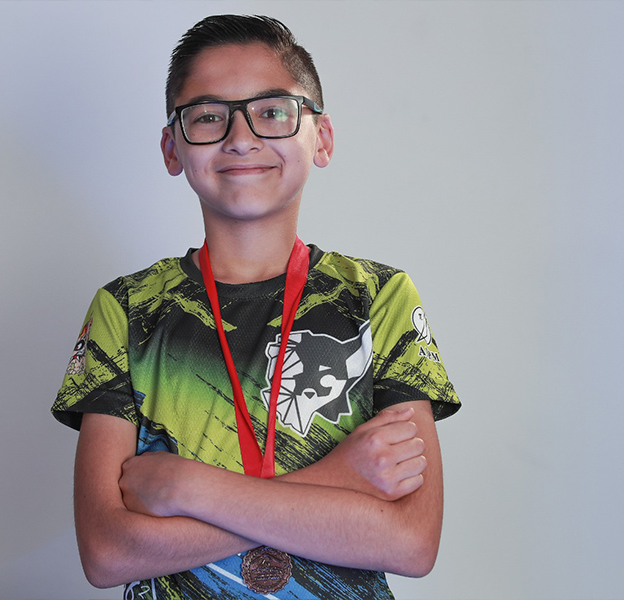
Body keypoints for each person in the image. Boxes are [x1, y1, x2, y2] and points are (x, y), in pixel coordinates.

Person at [52, 14, 460, 599]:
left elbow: (410, 542)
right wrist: (339, 479)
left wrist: (186, 488)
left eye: (272, 111)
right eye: (208, 116)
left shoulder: (379, 297)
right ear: (172, 148)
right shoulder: (126, 309)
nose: (241, 138)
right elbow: (107, 553)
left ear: (321, 138)